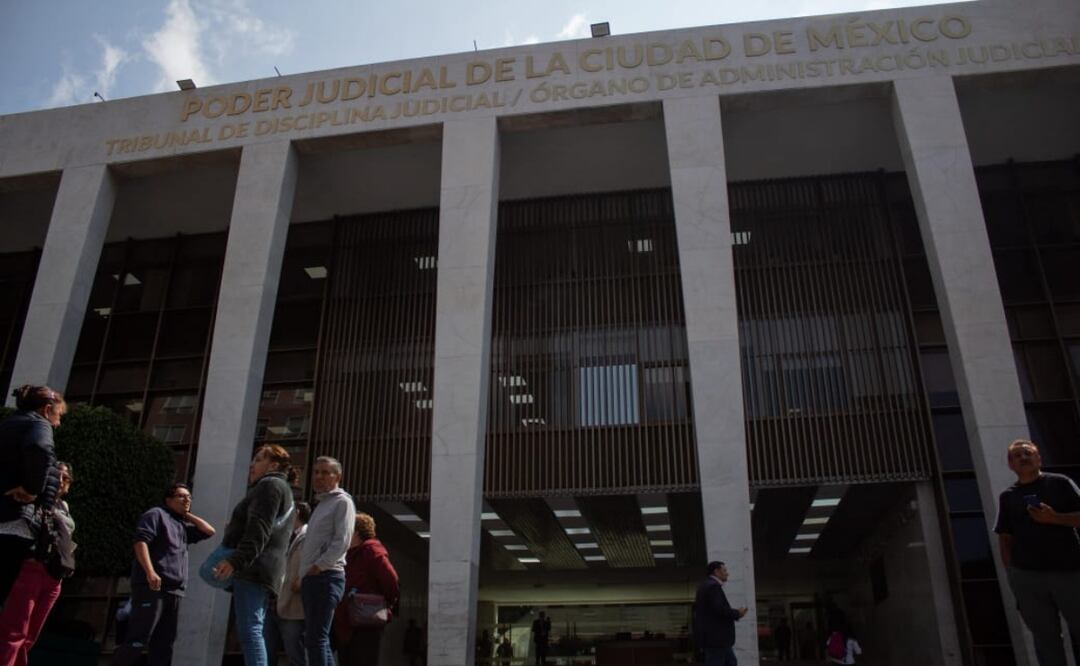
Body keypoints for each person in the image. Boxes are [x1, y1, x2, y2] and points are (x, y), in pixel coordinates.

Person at [994, 438, 1080, 666]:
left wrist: (1055, 518)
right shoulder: (1008, 497)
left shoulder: (1060, 483)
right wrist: (1012, 573)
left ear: (1038, 458)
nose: (1023, 458)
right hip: (1027, 576)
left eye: (1027, 453)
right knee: (1045, 640)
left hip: (1069, 571)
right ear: (1010, 465)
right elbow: (1005, 537)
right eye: (1017, 456)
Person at [212, 444, 297, 666]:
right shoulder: (281, 488)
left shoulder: (269, 485)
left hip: (254, 568)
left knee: (250, 631)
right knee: (253, 629)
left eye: (259, 459)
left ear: (273, 465)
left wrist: (235, 560)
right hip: (264, 569)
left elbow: (259, 529)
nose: (252, 464)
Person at [113, 483, 215, 666]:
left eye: (189, 497)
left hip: (174, 591)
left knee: (164, 645)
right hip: (152, 587)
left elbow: (209, 531)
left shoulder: (181, 524)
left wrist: (186, 515)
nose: (187, 500)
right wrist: (150, 572)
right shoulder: (156, 514)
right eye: (182, 496)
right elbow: (141, 542)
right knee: (138, 639)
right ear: (168, 500)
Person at [0, 460, 76, 666]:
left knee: (30, 636)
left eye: (65, 478)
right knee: (14, 630)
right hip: (32, 568)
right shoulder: (34, 498)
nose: (60, 481)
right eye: (57, 475)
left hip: (55, 576)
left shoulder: (65, 507)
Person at [0, 385, 66, 606]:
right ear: (47, 409)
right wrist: (31, 490)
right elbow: (39, 449)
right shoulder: (39, 424)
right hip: (13, 519)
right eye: (58, 416)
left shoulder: (8, 424)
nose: (57, 423)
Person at [300, 456, 355, 666]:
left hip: (326, 576)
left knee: (316, 639)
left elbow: (342, 540)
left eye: (325, 472)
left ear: (337, 476)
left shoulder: (343, 501)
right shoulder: (321, 504)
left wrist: (319, 566)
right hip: (312, 578)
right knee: (316, 639)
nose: (319, 477)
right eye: (316, 472)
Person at [333, 512, 400, 666]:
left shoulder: (372, 552)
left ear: (356, 532)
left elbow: (392, 581)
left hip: (366, 621)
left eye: (347, 529)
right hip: (347, 620)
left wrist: (383, 603)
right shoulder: (347, 554)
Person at [264, 501, 311, 666]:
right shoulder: (280, 535)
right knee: (265, 653)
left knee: (294, 654)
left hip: (293, 604)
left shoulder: (309, 536)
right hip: (272, 602)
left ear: (296, 512)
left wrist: (302, 580)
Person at [692, 561, 748, 666]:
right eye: (725, 570)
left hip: (717, 639)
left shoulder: (705, 585)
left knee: (731, 662)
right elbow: (720, 609)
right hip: (717, 639)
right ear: (717, 572)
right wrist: (737, 613)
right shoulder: (713, 587)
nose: (727, 573)